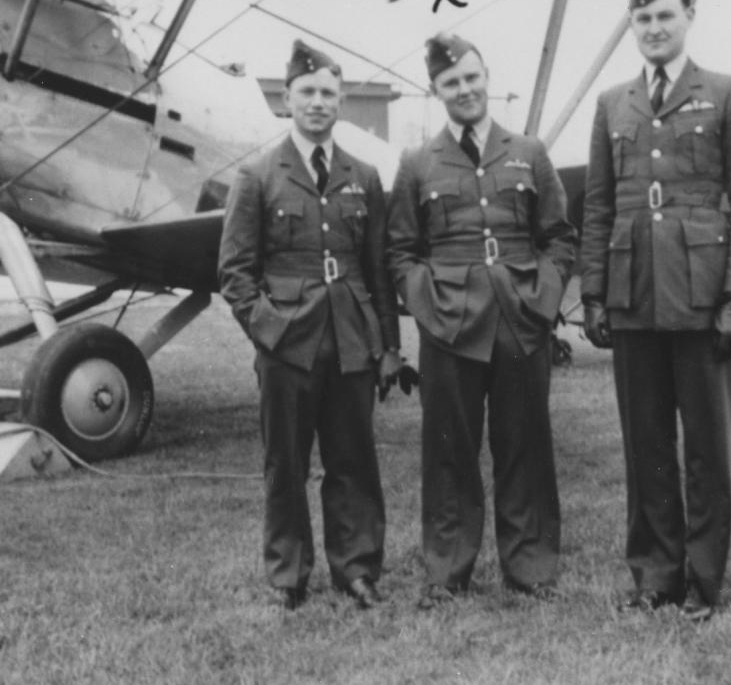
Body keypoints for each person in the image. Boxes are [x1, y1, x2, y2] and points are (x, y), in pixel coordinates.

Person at [579, 0, 731, 621]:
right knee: (646, 444)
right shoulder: (611, 105)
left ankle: (704, 581)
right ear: (632, 27)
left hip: (701, 298)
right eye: (642, 20)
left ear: (688, 17)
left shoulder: (727, 94)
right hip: (634, 299)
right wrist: (594, 296)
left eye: (664, 16)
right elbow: (599, 208)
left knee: (706, 449)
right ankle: (655, 577)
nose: (654, 29)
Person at [387, 33, 576, 608]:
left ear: (486, 76)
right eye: (451, 82)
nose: (464, 89)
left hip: (521, 321)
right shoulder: (418, 163)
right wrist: (428, 306)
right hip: (449, 326)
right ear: (435, 90)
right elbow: (400, 250)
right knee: (449, 448)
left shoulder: (529, 153)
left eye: (471, 77)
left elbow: (560, 239)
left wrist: (542, 302)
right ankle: (447, 571)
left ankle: (532, 566)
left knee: (525, 445)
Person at [218, 40, 402, 611]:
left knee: (352, 459)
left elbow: (377, 271)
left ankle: (357, 569)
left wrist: (388, 347)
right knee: (286, 463)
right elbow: (235, 272)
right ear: (287, 97)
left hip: (351, 338)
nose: (318, 102)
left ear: (341, 101)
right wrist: (267, 330)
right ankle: (288, 574)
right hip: (288, 343)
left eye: (328, 93)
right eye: (307, 92)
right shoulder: (256, 175)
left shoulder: (363, 176)